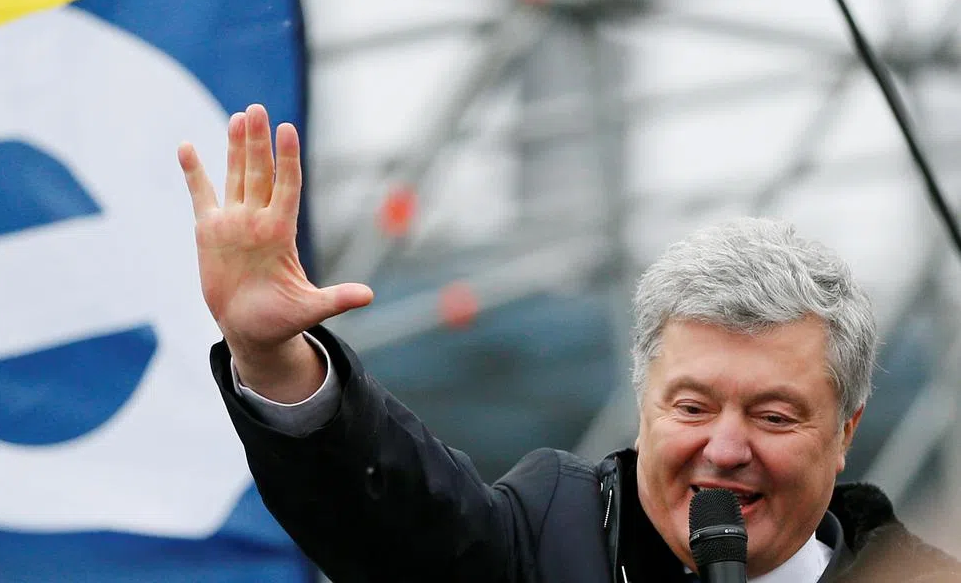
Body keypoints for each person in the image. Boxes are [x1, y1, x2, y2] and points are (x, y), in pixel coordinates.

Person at [178, 103, 961, 582]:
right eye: (692, 405)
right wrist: (274, 359)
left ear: (846, 433)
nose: (725, 447)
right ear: (643, 406)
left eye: (775, 417)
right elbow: (393, 517)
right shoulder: (548, 542)